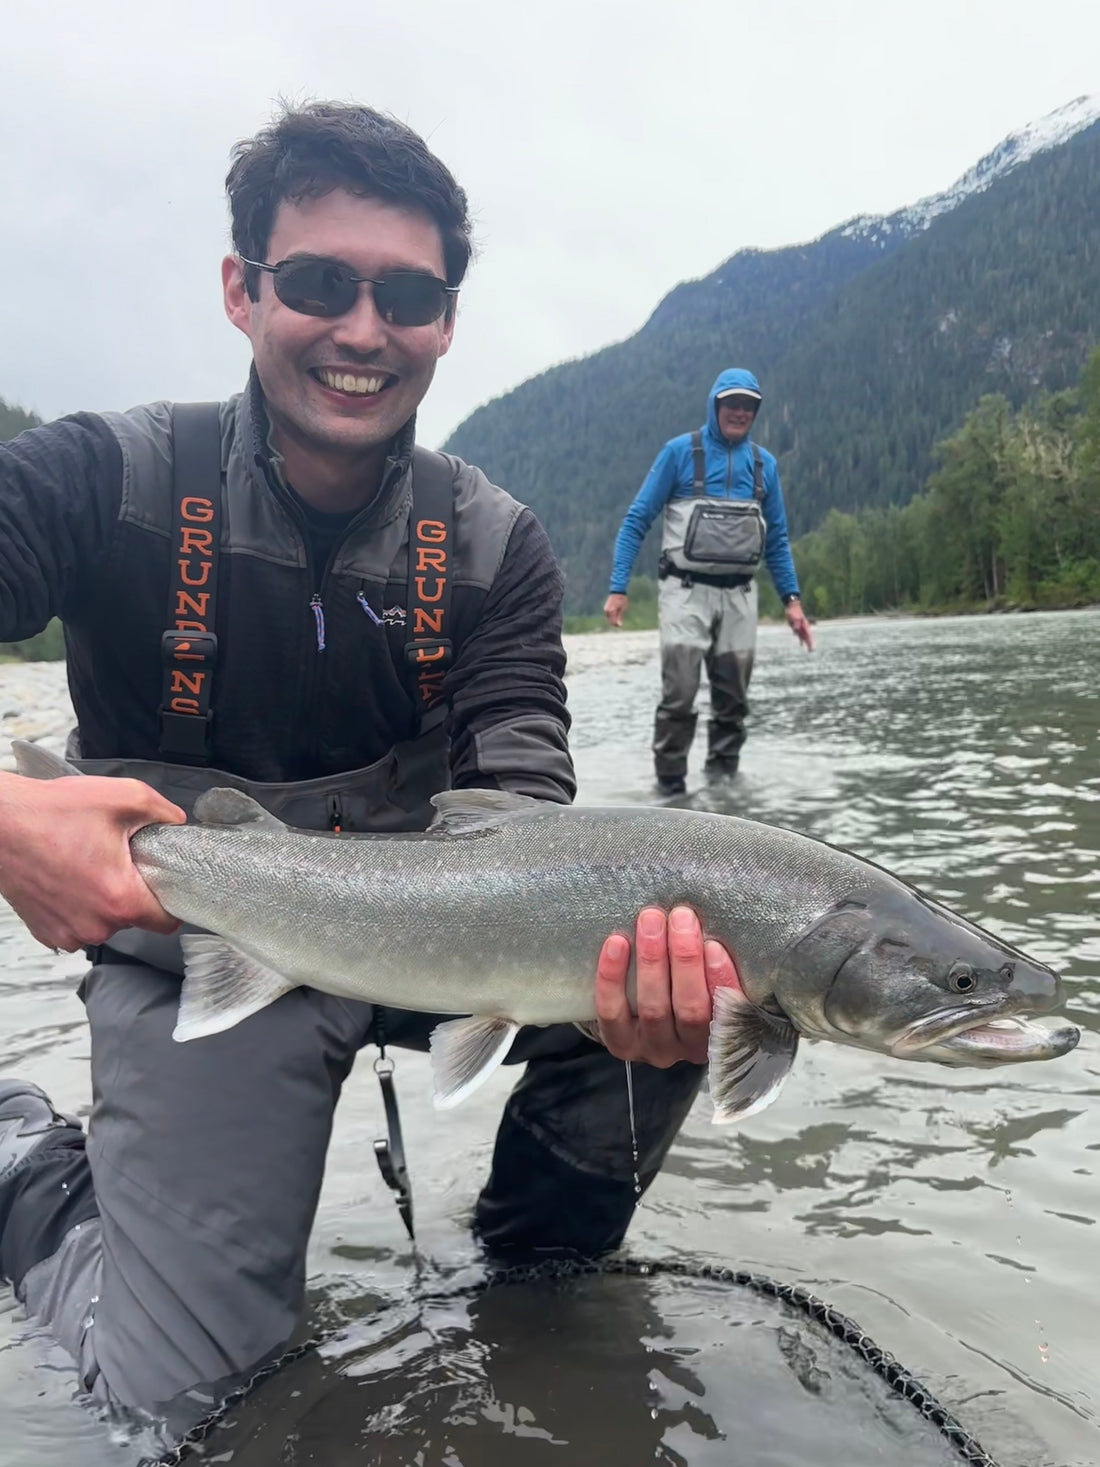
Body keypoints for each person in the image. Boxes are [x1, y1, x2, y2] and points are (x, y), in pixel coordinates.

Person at [0, 103, 738, 1437]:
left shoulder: (497, 548)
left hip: (444, 937)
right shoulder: (102, 481)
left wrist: (625, 977)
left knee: (687, 970)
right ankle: (26, 1171)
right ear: (243, 291)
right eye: (318, 283)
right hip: (199, 942)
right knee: (179, 1413)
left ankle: (531, 1297)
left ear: (445, 321)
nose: (362, 329)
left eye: (406, 296)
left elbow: (527, 814)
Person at [604, 369, 813, 796]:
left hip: (740, 596)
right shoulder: (679, 453)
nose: (739, 412)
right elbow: (636, 520)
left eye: (748, 405)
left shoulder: (765, 466)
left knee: (733, 701)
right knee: (679, 694)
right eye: (731, 403)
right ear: (715, 405)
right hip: (684, 593)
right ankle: (670, 792)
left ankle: (725, 793)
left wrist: (792, 601)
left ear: (755, 411)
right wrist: (618, 587)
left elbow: (777, 540)